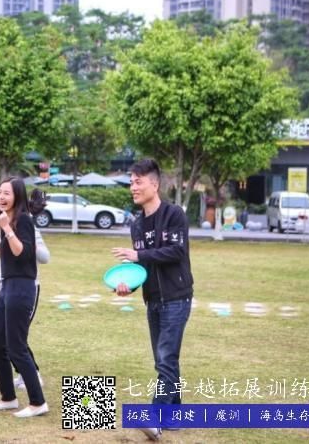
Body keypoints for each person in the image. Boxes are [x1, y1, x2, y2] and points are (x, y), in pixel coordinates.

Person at [111, 159, 194, 441]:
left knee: (165, 359)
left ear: (154, 184)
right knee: (165, 359)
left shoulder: (174, 215)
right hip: (154, 300)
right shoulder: (137, 225)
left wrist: (139, 255)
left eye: (138, 182)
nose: (133, 187)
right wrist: (128, 286)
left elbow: (176, 251)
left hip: (177, 297)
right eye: (131, 182)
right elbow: (142, 267)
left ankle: (154, 419)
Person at [0, 177, 48, 418]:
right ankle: (8, 398)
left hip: (22, 287)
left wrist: (6, 228)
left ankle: (38, 402)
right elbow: (4, 255)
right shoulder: (8, 220)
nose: (0, 197)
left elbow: (22, 253)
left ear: (17, 196)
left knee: (16, 348)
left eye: (6, 193)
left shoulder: (24, 220)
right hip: (6, 286)